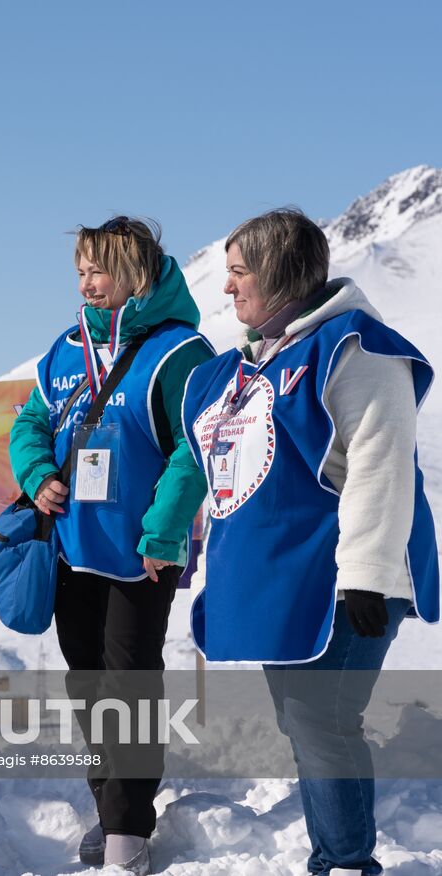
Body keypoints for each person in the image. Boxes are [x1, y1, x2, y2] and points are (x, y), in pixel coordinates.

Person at [180, 208, 438, 875]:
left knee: (324, 722)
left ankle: (346, 862)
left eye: (239, 273)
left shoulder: (355, 346)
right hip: (288, 584)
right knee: (306, 721)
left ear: (279, 274)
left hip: (348, 582)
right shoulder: (253, 365)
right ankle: (338, 856)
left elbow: (382, 464)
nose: (227, 288)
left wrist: (367, 576)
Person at [6, 217, 214, 874]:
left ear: (133, 274)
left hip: (141, 555)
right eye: (80, 272)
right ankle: (106, 807)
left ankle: (128, 829)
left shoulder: (180, 352)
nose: (86, 284)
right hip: (72, 549)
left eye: (97, 270)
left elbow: (196, 448)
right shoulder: (63, 352)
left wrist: (163, 531)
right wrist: (37, 475)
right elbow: (29, 426)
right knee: (88, 684)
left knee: (130, 684)